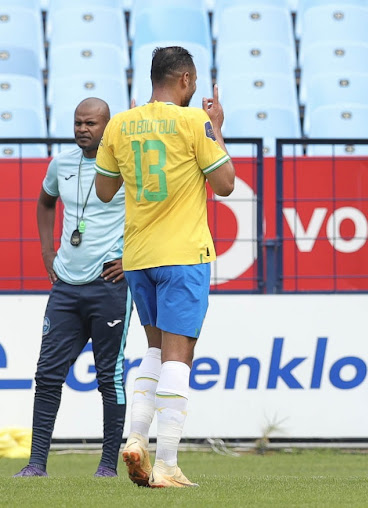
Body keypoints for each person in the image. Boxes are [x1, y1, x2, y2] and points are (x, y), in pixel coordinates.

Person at [94, 46, 235, 488]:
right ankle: (168, 464)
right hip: (183, 256)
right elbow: (226, 185)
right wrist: (217, 129)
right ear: (187, 81)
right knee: (179, 356)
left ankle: (136, 438)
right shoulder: (195, 122)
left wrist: (132, 140)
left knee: (154, 351)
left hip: (138, 258)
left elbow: (103, 189)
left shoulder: (121, 123)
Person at [14, 98, 131, 478]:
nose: (83, 129)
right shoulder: (60, 163)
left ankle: (108, 466)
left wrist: (131, 259)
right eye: (78, 123)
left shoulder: (127, 164)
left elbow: (154, 212)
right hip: (65, 285)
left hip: (109, 285)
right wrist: (47, 250)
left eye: (91, 123)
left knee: (108, 377)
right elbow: (45, 202)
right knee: (47, 374)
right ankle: (35, 465)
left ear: (108, 127)